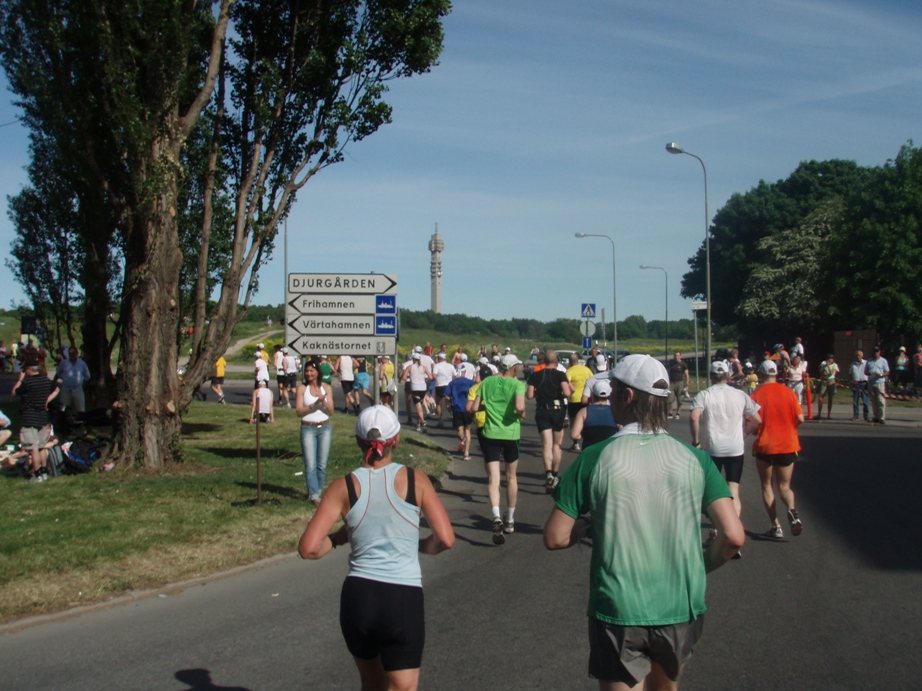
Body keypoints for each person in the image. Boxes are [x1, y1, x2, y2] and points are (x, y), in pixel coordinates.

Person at [543, 354, 744, 690]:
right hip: (680, 604)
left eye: (615, 388)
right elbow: (733, 536)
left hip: (619, 609)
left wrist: (587, 527)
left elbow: (555, 537)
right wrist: (698, 565)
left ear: (628, 397)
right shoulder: (696, 460)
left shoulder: (596, 457)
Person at [298, 406, 454, 691]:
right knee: (402, 687)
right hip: (401, 596)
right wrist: (419, 545)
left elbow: (309, 548)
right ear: (395, 440)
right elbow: (445, 539)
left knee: (371, 683)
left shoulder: (343, 486)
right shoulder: (415, 480)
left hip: (359, 596)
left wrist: (336, 539)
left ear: (358, 441)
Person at [690, 361, 762, 534]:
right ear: (728, 376)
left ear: (711, 376)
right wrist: (744, 434)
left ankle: (717, 529)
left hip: (714, 448)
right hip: (735, 448)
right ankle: (734, 531)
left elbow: (694, 417)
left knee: (714, 490)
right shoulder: (739, 394)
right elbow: (758, 419)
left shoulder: (705, 394)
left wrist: (696, 441)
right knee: (733, 490)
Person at [471, 353, 526, 544]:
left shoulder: (486, 383)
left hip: (490, 433)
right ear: (514, 369)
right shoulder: (518, 384)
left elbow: (474, 407)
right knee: (511, 477)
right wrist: (521, 413)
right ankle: (509, 519)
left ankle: (495, 515)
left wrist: (492, 408)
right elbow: (520, 406)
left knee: (493, 477)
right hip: (511, 434)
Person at [750, 360, 805, 539]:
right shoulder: (789, 392)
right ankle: (791, 510)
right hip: (787, 444)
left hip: (766, 445)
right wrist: (791, 426)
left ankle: (776, 526)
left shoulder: (756, 395)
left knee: (767, 486)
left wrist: (754, 432)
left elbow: (752, 421)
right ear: (776, 374)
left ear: (761, 374)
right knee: (785, 486)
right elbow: (800, 418)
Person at [527, 350, 574, 493]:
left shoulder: (536, 375)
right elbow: (567, 393)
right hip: (557, 410)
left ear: (543, 361)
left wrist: (538, 393)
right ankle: (555, 474)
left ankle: (547, 473)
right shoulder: (560, 374)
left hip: (542, 410)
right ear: (556, 361)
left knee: (546, 444)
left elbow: (529, 395)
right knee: (556, 444)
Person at [11, 360, 59, 482]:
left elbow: (14, 393)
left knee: (33, 447)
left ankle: (36, 474)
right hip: (42, 417)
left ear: (29, 370)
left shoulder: (27, 382)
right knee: (42, 446)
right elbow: (57, 389)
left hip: (29, 417)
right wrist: (47, 400)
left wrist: (20, 380)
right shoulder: (46, 381)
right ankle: (44, 472)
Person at [296, 357, 335, 505]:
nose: (309, 374)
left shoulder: (327, 388)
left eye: (311, 371)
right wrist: (313, 405)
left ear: (317, 372)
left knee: (322, 464)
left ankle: (317, 492)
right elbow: (299, 411)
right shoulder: (302, 389)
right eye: (306, 371)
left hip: (324, 428)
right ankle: (313, 495)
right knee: (310, 464)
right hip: (308, 428)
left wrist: (323, 400)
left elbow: (331, 411)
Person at [568, 378, 618, 450]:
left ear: (592, 395)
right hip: (608, 451)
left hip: (589, 451)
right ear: (608, 396)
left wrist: (585, 434)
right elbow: (622, 430)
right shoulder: (614, 411)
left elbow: (574, 435)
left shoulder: (584, 411)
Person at [565, 352, 594, 452]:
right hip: (585, 399)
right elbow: (593, 380)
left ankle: (575, 442)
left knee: (573, 422)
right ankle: (586, 440)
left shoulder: (569, 371)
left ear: (569, 362)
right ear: (578, 360)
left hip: (573, 399)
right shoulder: (586, 370)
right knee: (585, 421)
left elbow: (567, 382)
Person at [443, 372, 475, 459]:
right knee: (467, 429)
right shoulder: (471, 382)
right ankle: (466, 454)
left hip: (456, 408)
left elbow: (446, 396)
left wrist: (449, 402)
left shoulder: (453, 382)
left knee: (459, 430)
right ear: (465, 373)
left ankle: (462, 440)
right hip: (467, 408)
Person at [399, 352, 432, 433]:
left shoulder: (410, 367)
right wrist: (424, 379)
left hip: (415, 388)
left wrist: (410, 376)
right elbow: (431, 377)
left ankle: (423, 421)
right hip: (423, 388)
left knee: (418, 406)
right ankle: (418, 424)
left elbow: (403, 377)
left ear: (413, 359)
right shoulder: (424, 367)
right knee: (420, 405)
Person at [55, 346, 91, 413]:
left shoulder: (82, 364)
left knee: (81, 410)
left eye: (73, 353)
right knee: (63, 410)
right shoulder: (64, 363)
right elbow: (59, 373)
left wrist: (81, 382)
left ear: (77, 354)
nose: (71, 355)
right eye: (70, 353)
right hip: (66, 389)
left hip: (77, 389)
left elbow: (87, 376)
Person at [865, 346, 890, 425]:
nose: (875, 353)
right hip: (871, 382)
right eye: (874, 351)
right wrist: (869, 373)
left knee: (881, 400)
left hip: (880, 382)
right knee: (873, 400)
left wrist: (881, 374)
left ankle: (882, 417)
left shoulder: (883, 361)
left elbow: (887, 371)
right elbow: (865, 371)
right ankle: (876, 416)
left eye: (877, 351)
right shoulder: (869, 361)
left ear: (879, 352)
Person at [431, 351, 456, 426]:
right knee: (448, 403)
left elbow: (434, 376)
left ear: (440, 358)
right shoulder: (451, 366)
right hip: (448, 386)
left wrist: (433, 378)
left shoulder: (437, 366)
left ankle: (440, 420)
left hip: (439, 386)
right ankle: (453, 415)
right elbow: (455, 376)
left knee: (438, 403)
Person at [667, 352, 690, 419]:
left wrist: (687, 385)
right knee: (670, 399)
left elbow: (687, 375)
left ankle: (678, 413)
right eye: (675, 356)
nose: (676, 357)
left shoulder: (683, 364)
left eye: (677, 355)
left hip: (680, 383)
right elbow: (668, 372)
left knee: (679, 399)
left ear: (680, 356)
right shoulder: (671, 364)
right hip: (672, 383)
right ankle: (670, 412)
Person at [815, 354, 838, 419]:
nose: (829, 360)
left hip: (831, 381)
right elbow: (821, 373)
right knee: (820, 397)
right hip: (824, 381)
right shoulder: (823, 365)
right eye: (828, 358)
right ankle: (819, 413)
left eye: (831, 358)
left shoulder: (834, 365)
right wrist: (823, 373)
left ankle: (828, 415)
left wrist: (828, 366)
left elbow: (832, 373)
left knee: (830, 398)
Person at [849, 350, 870, 422]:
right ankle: (856, 415)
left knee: (865, 401)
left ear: (862, 356)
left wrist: (867, 381)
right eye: (857, 355)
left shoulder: (866, 363)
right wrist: (852, 380)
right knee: (855, 401)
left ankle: (866, 416)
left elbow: (869, 373)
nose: (858, 357)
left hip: (864, 384)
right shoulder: (853, 364)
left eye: (859, 355)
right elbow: (850, 374)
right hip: (856, 384)